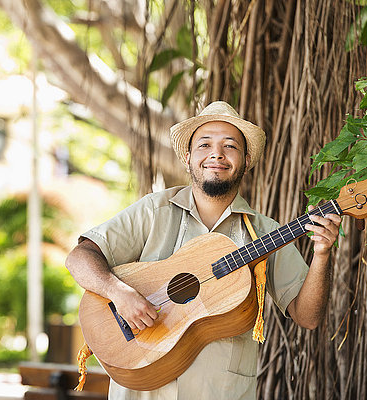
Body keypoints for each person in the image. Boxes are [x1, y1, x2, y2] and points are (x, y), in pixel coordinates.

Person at [65, 101, 341, 400]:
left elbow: (308, 316)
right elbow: (79, 257)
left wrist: (322, 253)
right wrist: (119, 293)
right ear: (188, 158)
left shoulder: (266, 233)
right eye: (205, 144)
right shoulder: (153, 211)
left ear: (246, 160)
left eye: (230, 146)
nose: (216, 154)